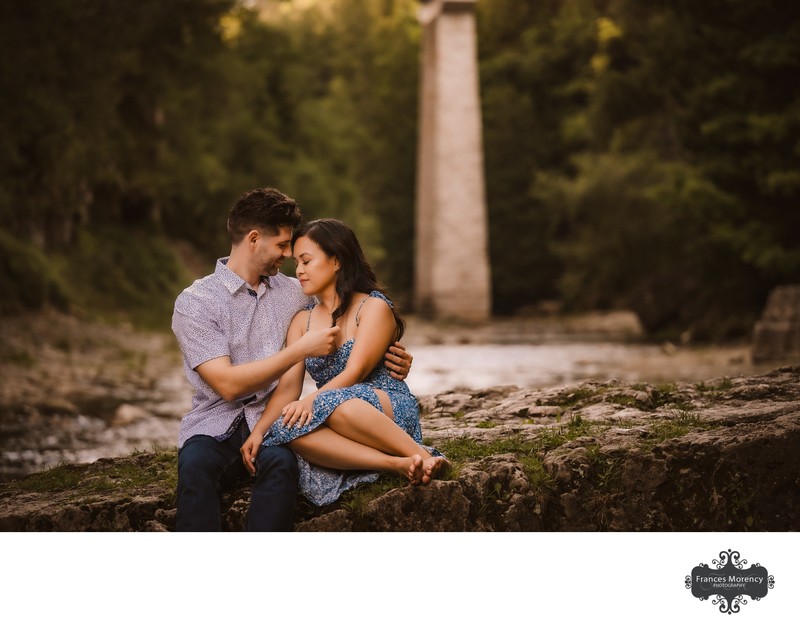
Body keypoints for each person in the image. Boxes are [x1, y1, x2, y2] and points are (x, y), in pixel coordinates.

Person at [171, 188, 413, 531]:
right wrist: (298, 350)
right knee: (194, 469)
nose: (289, 256)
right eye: (283, 246)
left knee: (283, 467)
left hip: (274, 420)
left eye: (296, 252)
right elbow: (227, 385)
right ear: (254, 239)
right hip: (214, 425)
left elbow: (347, 308)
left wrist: (393, 354)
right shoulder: (196, 302)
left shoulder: (295, 291)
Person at [240, 219, 448, 507]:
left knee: (337, 402)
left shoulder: (373, 307)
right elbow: (288, 388)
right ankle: (396, 464)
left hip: (386, 408)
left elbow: (356, 371)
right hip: (336, 414)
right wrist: (260, 431)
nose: (299, 270)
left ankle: (425, 456)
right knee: (284, 428)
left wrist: (312, 401)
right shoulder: (302, 321)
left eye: (307, 261)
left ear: (336, 261)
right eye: (296, 263)